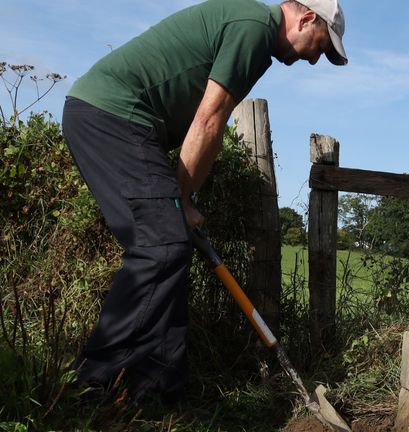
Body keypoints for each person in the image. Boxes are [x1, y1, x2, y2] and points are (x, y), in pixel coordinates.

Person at [61, 0, 347, 404]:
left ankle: (160, 392)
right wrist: (182, 196)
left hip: (121, 122)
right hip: (111, 115)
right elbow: (209, 118)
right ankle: (90, 384)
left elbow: (207, 118)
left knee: (169, 246)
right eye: (321, 45)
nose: (316, 60)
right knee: (162, 246)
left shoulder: (254, 34)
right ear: (306, 18)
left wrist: (181, 202)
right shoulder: (254, 28)